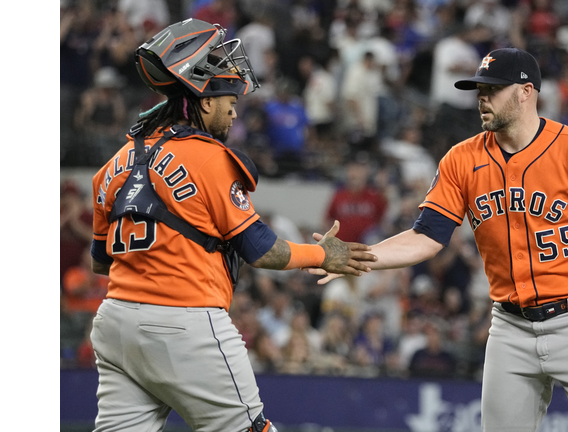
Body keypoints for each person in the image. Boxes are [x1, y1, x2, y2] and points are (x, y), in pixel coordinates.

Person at [308, 47, 568, 431]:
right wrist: (357, 256)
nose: (482, 97)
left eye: (493, 89)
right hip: (510, 327)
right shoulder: (461, 160)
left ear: (526, 91)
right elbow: (426, 236)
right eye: (479, 89)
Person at [88, 19, 375, 432]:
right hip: (184, 323)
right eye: (229, 99)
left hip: (115, 325)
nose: (234, 109)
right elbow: (261, 250)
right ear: (204, 101)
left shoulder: (112, 165)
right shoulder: (208, 158)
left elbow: (103, 262)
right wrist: (323, 255)